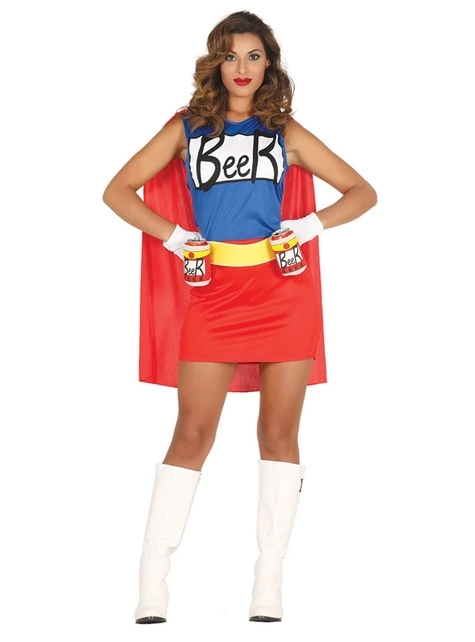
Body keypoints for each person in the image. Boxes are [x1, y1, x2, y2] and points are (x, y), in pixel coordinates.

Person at [102, 10, 377, 624]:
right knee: (192, 433)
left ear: (269, 63)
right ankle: (152, 579)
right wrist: (176, 237)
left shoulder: (284, 131)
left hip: (283, 293)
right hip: (216, 296)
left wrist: (308, 226)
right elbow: (117, 190)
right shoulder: (188, 128)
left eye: (254, 56)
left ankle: (268, 582)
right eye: (231, 56)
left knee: (278, 434)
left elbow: (363, 191)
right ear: (215, 63)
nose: (243, 68)